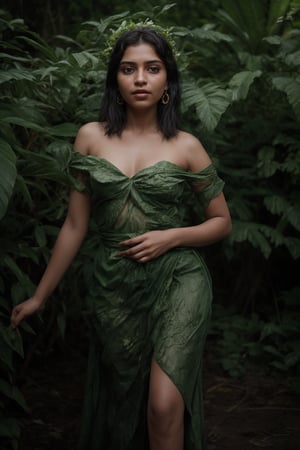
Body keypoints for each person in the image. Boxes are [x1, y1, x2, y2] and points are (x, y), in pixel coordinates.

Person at [11, 25, 231, 450]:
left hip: (178, 278)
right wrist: (40, 296)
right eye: (129, 69)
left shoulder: (186, 145)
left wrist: (170, 237)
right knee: (124, 402)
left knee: (164, 405)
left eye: (153, 68)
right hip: (114, 284)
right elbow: (75, 226)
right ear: (115, 79)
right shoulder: (91, 137)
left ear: (168, 79)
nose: (141, 78)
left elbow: (221, 221)